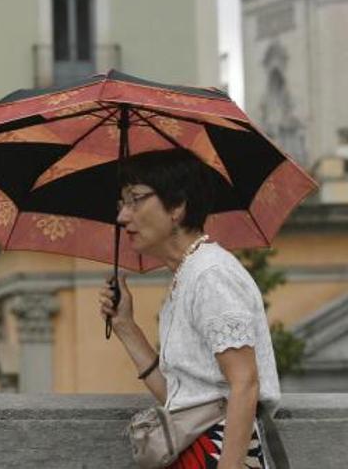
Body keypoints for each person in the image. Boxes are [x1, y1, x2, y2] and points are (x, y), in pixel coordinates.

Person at [98, 148, 280, 469]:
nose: (123, 217)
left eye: (135, 199)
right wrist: (126, 326)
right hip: (196, 448)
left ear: (177, 207)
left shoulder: (210, 274)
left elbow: (245, 382)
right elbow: (179, 397)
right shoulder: (188, 275)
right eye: (122, 203)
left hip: (221, 452)